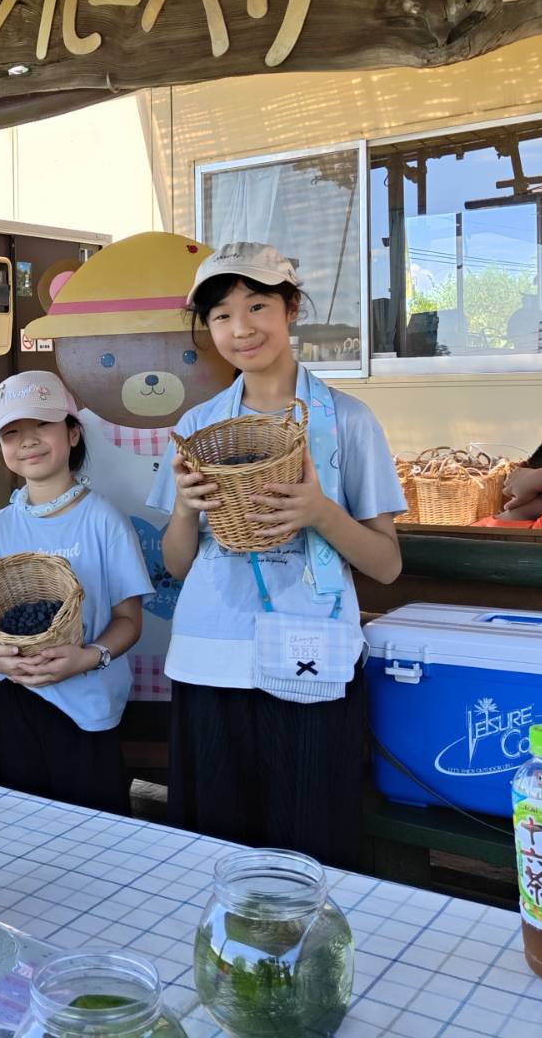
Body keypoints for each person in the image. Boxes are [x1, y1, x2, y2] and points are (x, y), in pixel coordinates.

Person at [148, 242, 405, 869]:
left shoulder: (348, 421)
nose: (241, 328)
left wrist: (320, 512)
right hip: (212, 661)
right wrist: (184, 509)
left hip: (313, 662)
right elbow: (177, 566)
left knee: (310, 850)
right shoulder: (198, 428)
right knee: (214, 852)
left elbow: (387, 564)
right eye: (221, 315)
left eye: (257, 306)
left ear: (291, 308)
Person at [0, 371, 151, 815]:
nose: (28, 441)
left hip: (88, 705)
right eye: (11, 433)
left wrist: (87, 657)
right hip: (15, 703)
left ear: (72, 433)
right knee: (20, 826)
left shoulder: (104, 520)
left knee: (94, 829)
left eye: (42, 424)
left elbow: (129, 621)